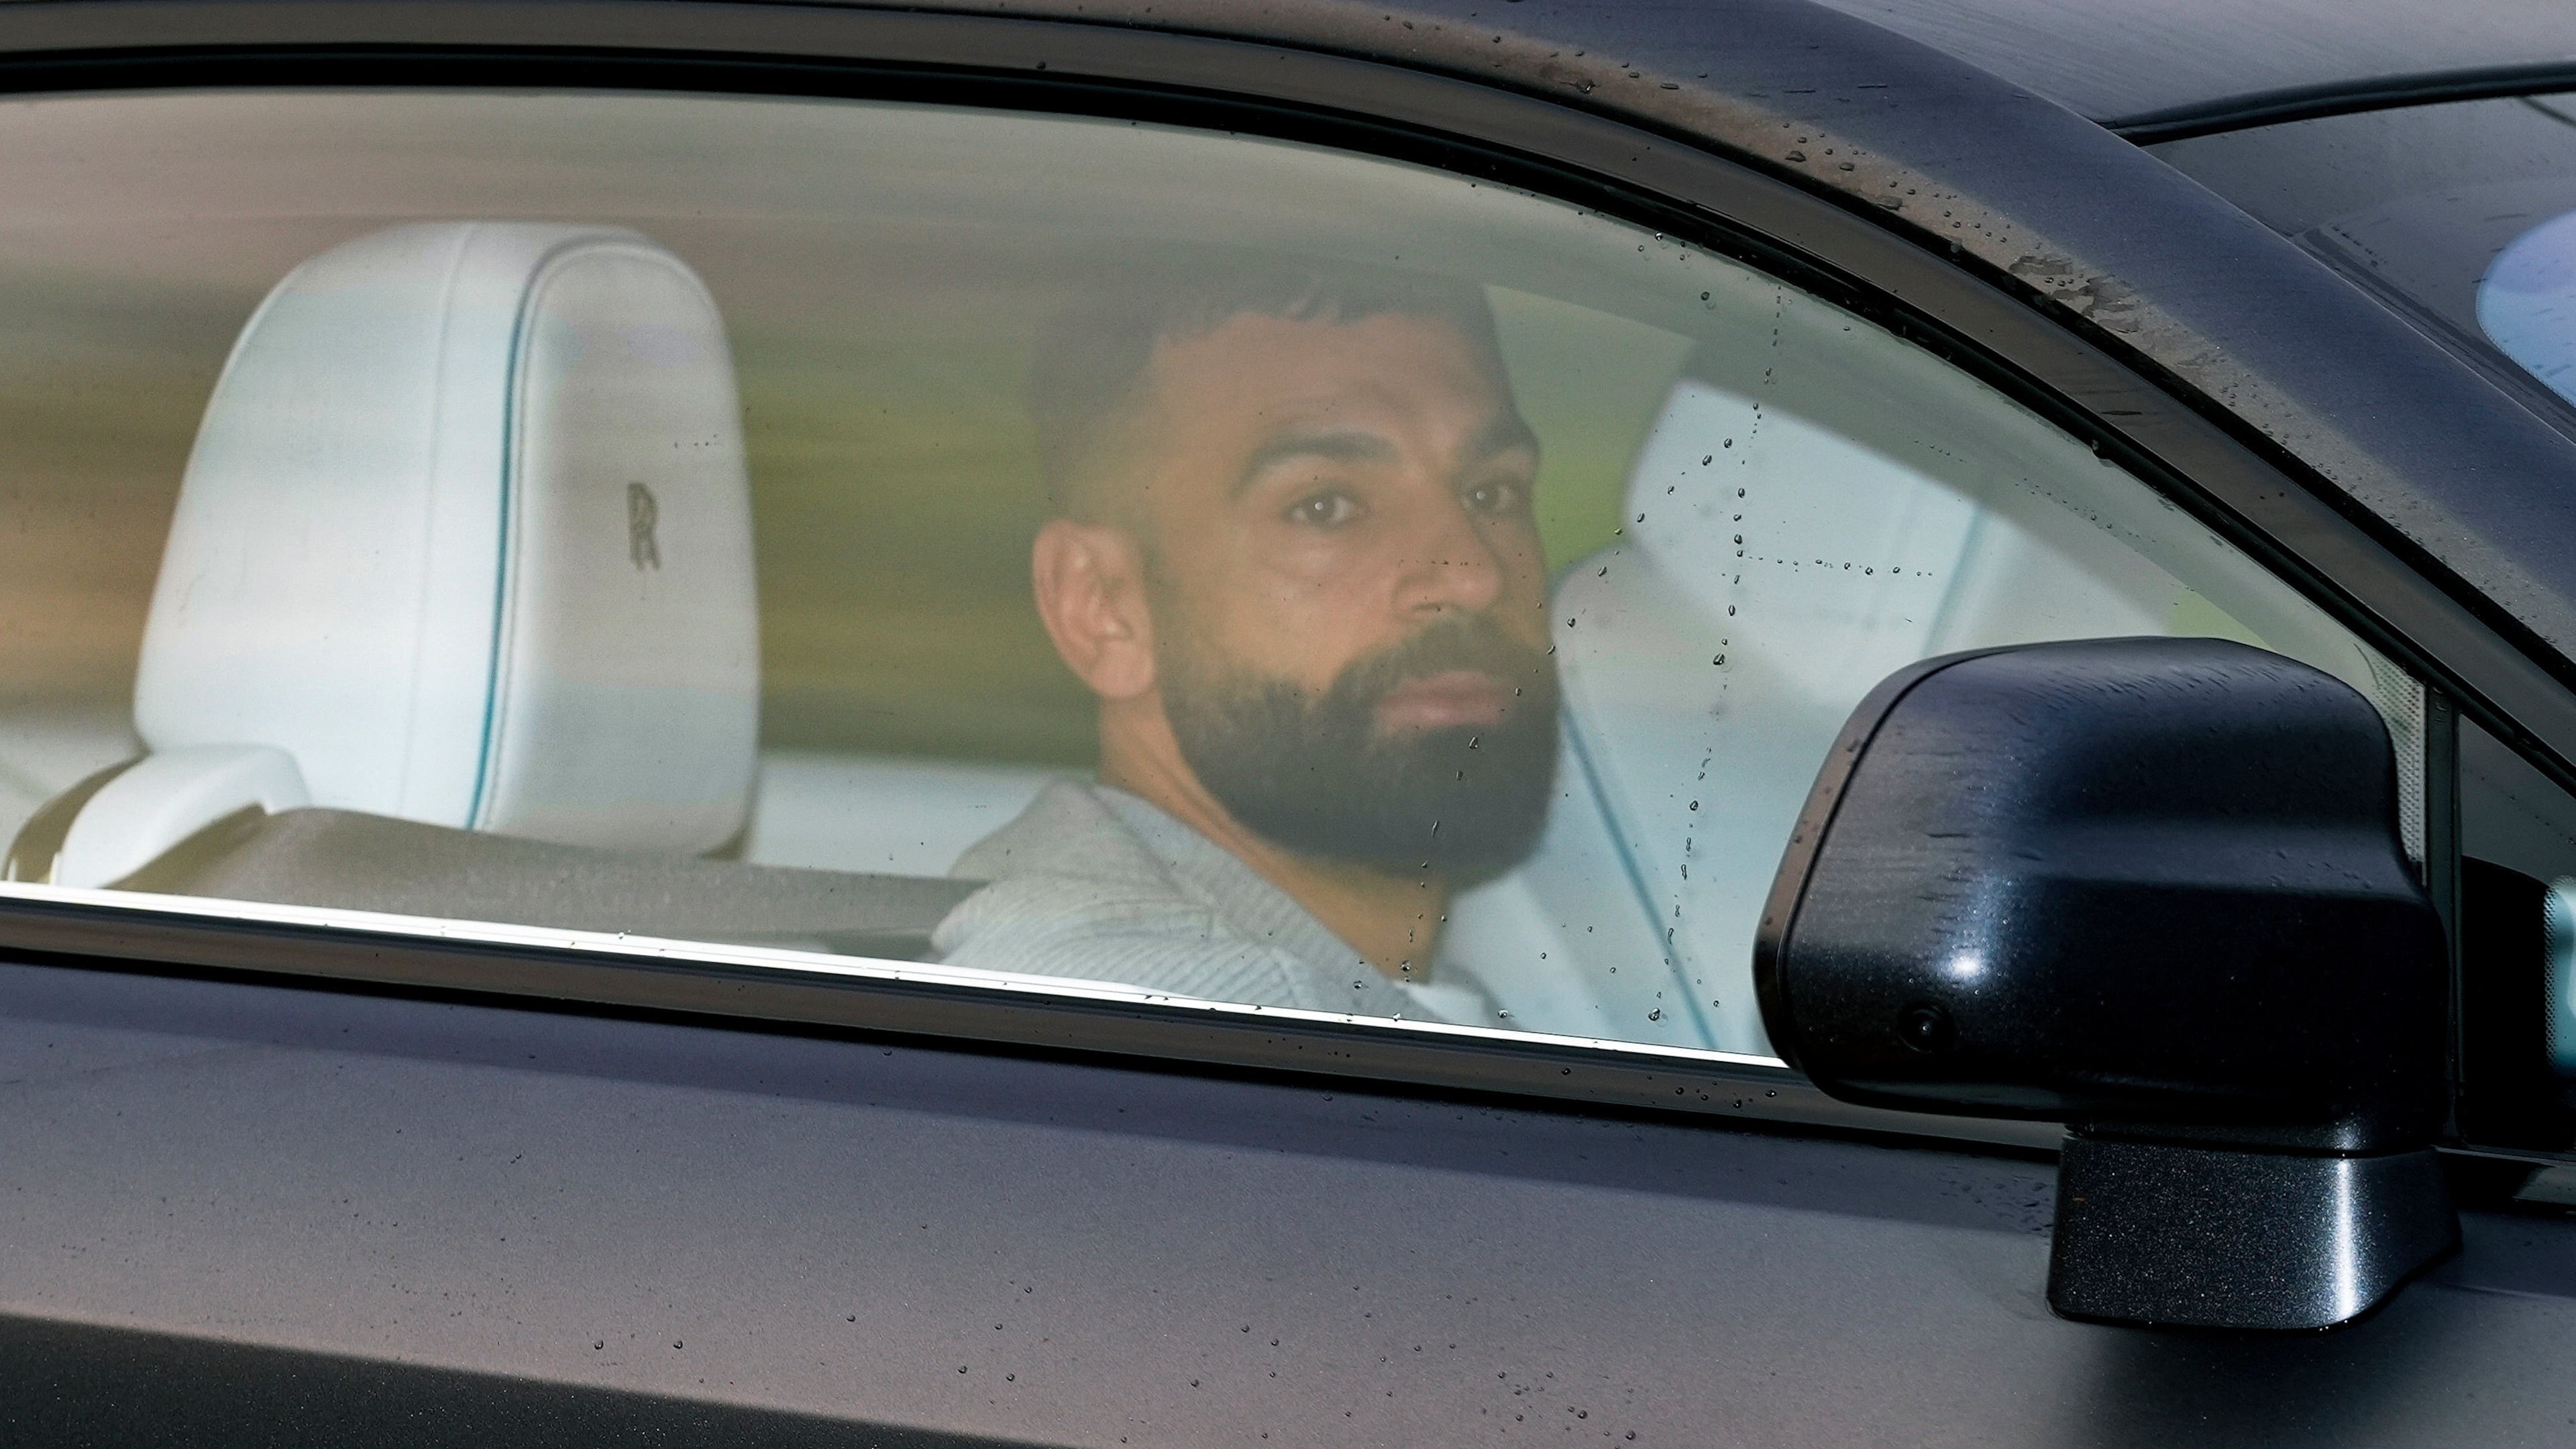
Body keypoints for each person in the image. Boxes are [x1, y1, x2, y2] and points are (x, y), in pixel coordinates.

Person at [932, 259, 1562, 1024]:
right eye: (1325, 507)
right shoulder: (1211, 1035)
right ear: (1101, 606)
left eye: (1492, 493)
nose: (1473, 576)